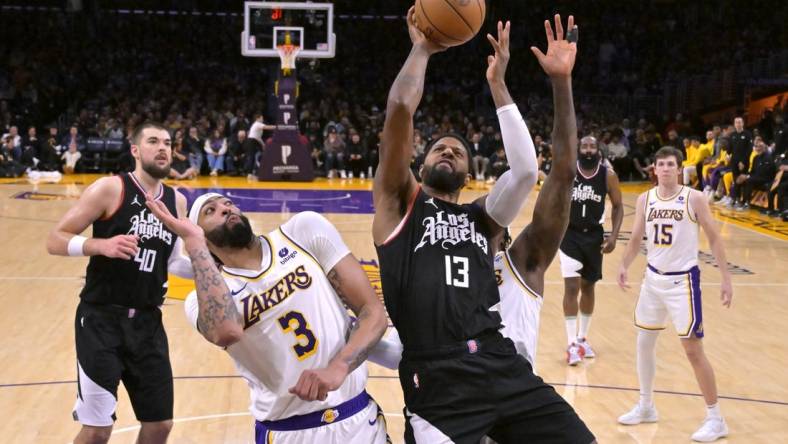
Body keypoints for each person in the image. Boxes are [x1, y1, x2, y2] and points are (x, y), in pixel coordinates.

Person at [373, 11, 594, 443]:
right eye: (439, 147)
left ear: (470, 173)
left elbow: (530, 171)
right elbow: (400, 108)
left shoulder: (483, 219)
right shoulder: (402, 205)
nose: (449, 151)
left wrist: (511, 86)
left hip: (500, 364)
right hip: (439, 381)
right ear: (419, 165)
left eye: (458, 150)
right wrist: (422, 48)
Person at [146, 193, 389, 443]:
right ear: (199, 236)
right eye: (210, 210)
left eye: (228, 203)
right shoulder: (200, 302)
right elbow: (225, 331)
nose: (225, 208)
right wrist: (194, 243)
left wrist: (339, 367)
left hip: (359, 418)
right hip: (289, 432)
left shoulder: (302, 231)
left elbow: (373, 312)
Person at [45, 122, 188, 444]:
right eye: (153, 141)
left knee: (160, 424)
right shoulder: (111, 188)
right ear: (136, 150)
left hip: (148, 323)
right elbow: (55, 239)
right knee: (97, 430)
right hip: (101, 321)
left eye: (167, 142)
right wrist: (98, 245)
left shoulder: (177, 200)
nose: (163, 148)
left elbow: (175, 261)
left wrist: (219, 267)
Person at [617, 146, 733, 442]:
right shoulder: (645, 199)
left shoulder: (693, 197)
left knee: (693, 351)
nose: (666, 168)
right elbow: (635, 238)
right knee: (644, 343)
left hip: (683, 282)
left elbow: (714, 236)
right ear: (653, 169)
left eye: (671, 164)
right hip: (652, 280)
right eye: (661, 164)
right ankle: (646, 406)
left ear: (679, 168)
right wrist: (624, 265)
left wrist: (725, 277)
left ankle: (716, 418)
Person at [560, 135, 623, 365]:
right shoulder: (569, 173)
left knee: (588, 286)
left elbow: (617, 206)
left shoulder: (608, 176)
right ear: (578, 149)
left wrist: (614, 236)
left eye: (592, 146)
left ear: (599, 150)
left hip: (594, 236)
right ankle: (571, 344)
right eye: (584, 146)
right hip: (569, 235)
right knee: (571, 286)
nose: (588, 150)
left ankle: (582, 338)